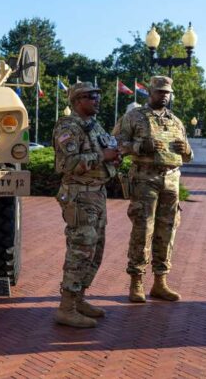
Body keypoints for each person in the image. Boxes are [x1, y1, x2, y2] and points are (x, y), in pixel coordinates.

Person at [114, 76, 193, 303]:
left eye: (167, 92)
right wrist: (140, 146)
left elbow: (189, 156)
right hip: (144, 179)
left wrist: (186, 149)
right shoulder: (134, 117)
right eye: (160, 92)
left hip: (171, 180)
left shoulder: (176, 121)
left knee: (167, 231)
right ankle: (136, 281)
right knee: (143, 229)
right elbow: (115, 144)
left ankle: (160, 281)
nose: (164, 96)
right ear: (150, 92)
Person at [52, 82, 120, 328]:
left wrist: (115, 158)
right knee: (80, 250)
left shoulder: (94, 125)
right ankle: (66, 308)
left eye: (97, 96)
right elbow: (68, 164)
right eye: (91, 97)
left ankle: (79, 298)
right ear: (78, 100)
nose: (97, 100)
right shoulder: (68, 127)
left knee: (95, 250)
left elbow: (106, 151)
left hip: (96, 195)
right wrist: (104, 157)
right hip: (79, 196)